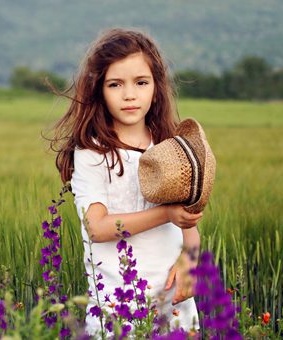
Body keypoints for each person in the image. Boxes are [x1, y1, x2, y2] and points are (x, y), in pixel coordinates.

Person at [50, 28, 202, 335]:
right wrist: (165, 214)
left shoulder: (171, 147)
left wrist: (191, 262)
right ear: (99, 91)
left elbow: (190, 222)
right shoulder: (93, 153)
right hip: (118, 311)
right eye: (115, 84)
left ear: (156, 88)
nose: (129, 94)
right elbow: (97, 227)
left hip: (174, 306)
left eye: (141, 82)